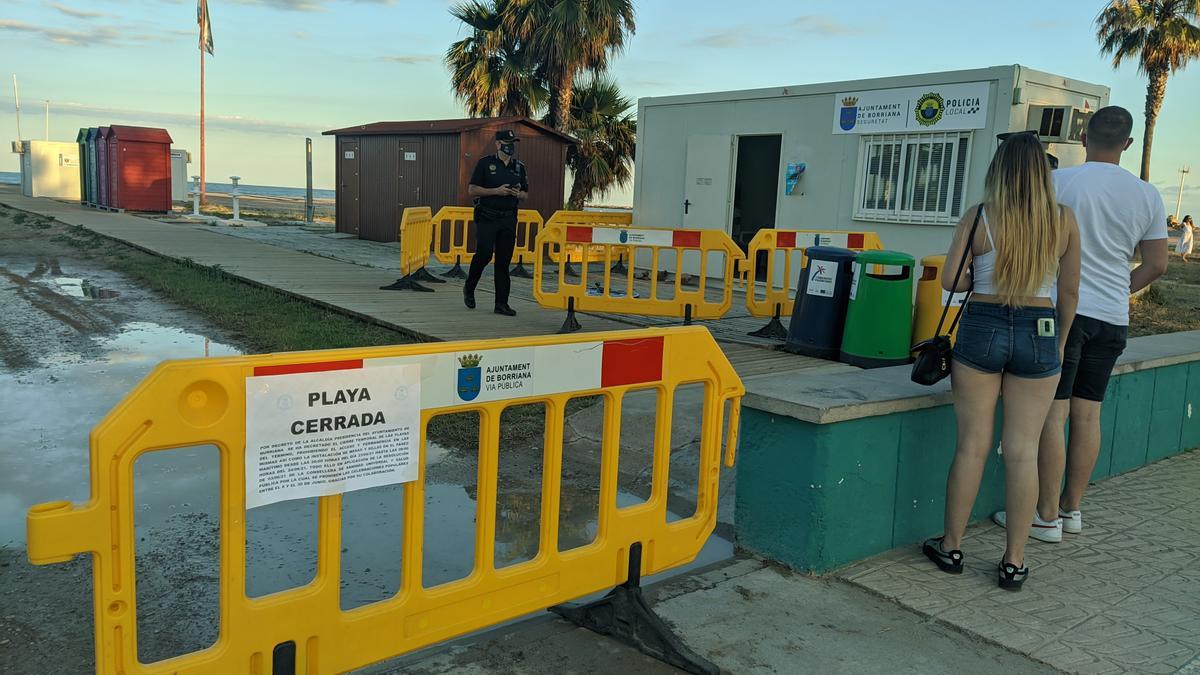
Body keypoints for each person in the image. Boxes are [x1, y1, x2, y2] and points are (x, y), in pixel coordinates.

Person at [996, 106, 1169, 543]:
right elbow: (1157, 265)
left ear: (1083, 136)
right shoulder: (1148, 195)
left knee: (1055, 414)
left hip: (1061, 314)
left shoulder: (1059, 183)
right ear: (1127, 144)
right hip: (1113, 317)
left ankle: (1046, 517)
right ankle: (1073, 510)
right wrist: (1118, 290)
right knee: (1089, 413)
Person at [923, 132, 1081, 591]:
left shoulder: (980, 216)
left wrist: (976, 268)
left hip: (984, 324)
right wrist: (1060, 342)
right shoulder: (1063, 220)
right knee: (1022, 451)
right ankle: (1013, 561)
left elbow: (951, 280)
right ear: (1041, 172)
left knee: (972, 444)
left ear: (1000, 170)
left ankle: (951, 546)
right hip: (1041, 328)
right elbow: (1069, 293)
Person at [464, 129, 529, 316]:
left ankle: (501, 304)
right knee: (484, 254)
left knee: (503, 262)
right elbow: (472, 190)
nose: (511, 147)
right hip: (488, 216)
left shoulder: (519, 167)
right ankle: (469, 287)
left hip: (508, 218)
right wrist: (496, 191)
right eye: (507, 143)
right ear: (498, 144)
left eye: (513, 143)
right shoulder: (486, 163)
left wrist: (519, 194)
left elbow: (526, 194)